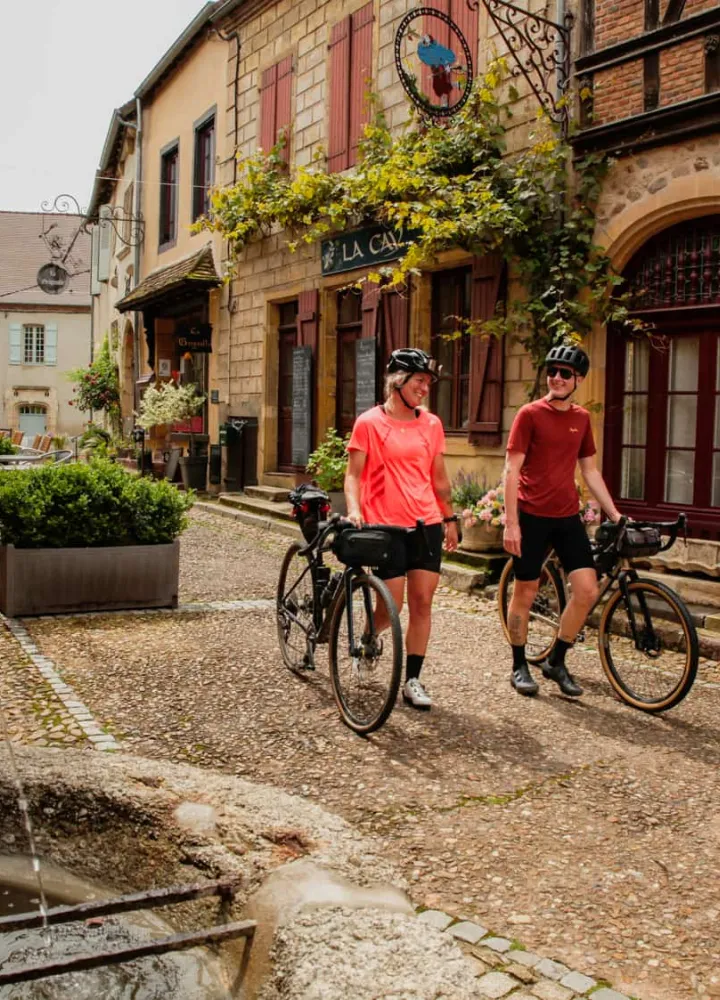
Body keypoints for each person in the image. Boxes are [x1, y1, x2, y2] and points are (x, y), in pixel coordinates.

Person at [503, 342, 622, 698]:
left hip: (567, 516)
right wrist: (511, 523)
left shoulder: (581, 419)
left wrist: (615, 514)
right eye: (552, 371)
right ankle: (519, 664)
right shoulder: (529, 414)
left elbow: (590, 471)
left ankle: (556, 660)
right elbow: (511, 470)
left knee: (587, 590)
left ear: (578, 379)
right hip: (531, 516)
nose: (556, 377)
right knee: (525, 591)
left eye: (564, 373)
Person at [344, 348, 459, 710]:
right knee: (389, 608)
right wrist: (354, 510)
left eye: (428, 383)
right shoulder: (369, 423)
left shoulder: (431, 424)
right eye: (419, 381)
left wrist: (450, 518)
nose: (425, 388)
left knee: (422, 602)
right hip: (386, 527)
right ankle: (369, 638)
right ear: (398, 381)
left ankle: (413, 680)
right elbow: (353, 475)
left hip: (427, 524)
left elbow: (439, 479)